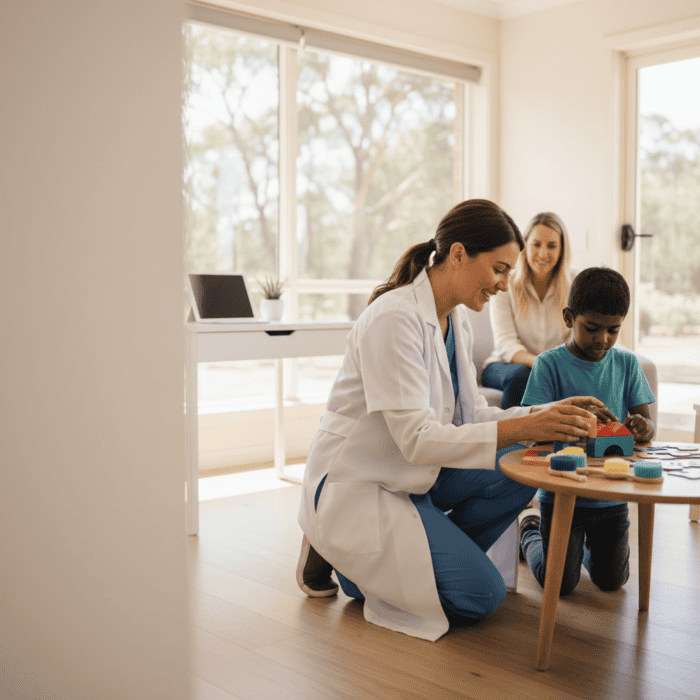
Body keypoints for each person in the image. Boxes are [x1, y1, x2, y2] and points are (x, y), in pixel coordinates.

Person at [296, 199, 604, 642]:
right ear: (458, 254)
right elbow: (416, 443)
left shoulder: (453, 318)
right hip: (364, 483)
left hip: (412, 477)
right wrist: (526, 426)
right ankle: (351, 563)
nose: (502, 284)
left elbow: (473, 416)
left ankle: (426, 555)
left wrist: (544, 414)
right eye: (498, 269)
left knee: (526, 464)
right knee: (482, 596)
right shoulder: (394, 319)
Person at [518, 267, 656, 596]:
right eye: (592, 328)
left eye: (613, 330)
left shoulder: (626, 364)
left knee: (612, 582)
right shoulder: (548, 365)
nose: (603, 339)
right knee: (560, 584)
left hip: (611, 496)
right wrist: (573, 417)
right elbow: (536, 435)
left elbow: (648, 427)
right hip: (562, 494)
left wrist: (640, 426)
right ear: (569, 318)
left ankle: (580, 551)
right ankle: (530, 530)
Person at [481, 212, 574, 409]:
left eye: (551, 246)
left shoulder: (574, 285)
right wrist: (542, 364)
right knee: (525, 376)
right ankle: (513, 439)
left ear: (562, 249)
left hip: (553, 369)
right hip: (504, 365)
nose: (542, 253)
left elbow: (575, 340)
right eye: (536, 244)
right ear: (525, 246)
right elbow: (506, 343)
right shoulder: (506, 282)